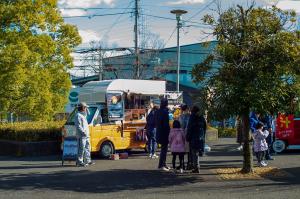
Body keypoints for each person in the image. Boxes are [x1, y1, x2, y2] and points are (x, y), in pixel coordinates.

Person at [186, 106, 206, 173]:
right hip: (200, 137)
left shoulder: (192, 117)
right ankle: (196, 166)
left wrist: (187, 137)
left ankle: (196, 167)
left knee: (194, 153)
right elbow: (204, 127)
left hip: (193, 137)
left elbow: (189, 128)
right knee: (197, 152)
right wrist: (203, 136)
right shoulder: (202, 117)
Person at [75, 102, 94, 167]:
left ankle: (88, 160)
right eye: (85, 107)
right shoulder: (78, 115)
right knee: (81, 148)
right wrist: (83, 132)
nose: (86, 109)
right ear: (82, 108)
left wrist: (86, 107)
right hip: (81, 135)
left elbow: (89, 113)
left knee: (87, 148)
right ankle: (79, 161)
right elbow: (78, 126)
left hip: (86, 135)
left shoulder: (83, 114)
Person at [155, 98, 170, 171]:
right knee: (164, 150)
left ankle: (163, 164)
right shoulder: (165, 112)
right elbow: (166, 125)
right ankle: (161, 165)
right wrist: (169, 133)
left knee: (163, 149)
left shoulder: (157, 111)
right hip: (164, 133)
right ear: (166, 104)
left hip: (158, 132)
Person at [179, 104, 191, 169]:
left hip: (182, 134)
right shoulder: (189, 116)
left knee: (182, 150)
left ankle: (182, 165)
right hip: (188, 134)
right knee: (188, 150)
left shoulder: (181, 116)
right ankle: (189, 164)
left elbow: (181, 125)